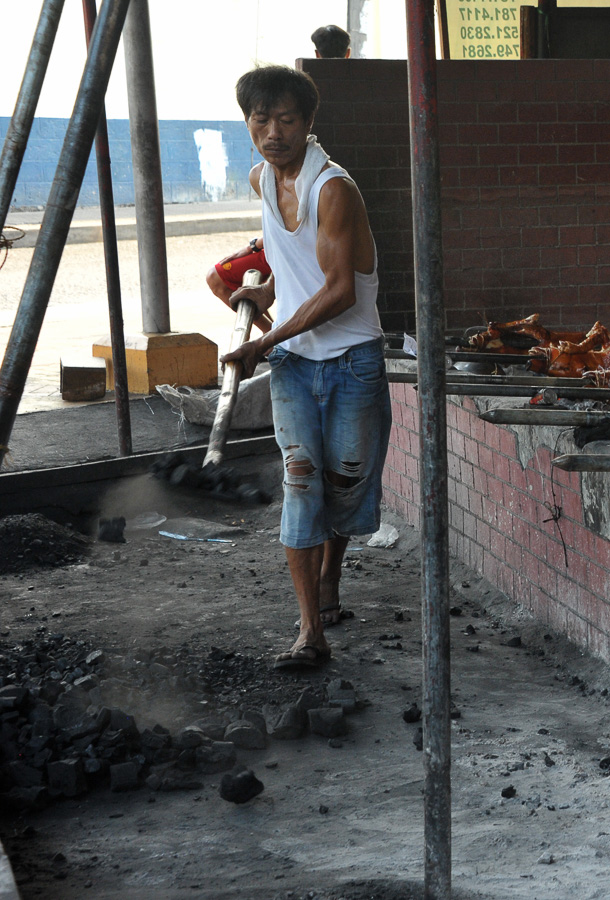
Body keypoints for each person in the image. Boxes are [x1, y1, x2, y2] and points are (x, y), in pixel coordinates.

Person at [221, 65, 388, 671]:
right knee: (300, 487)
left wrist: (264, 345)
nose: (272, 132)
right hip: (296, 363)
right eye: (260, 120)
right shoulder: (262, 178)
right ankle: (309, 630)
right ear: (247, 124)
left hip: (352, 363)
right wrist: (267, 295)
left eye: (286, 120)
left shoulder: (333, 189)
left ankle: (330, 576)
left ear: (309, 124)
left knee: (343, 490)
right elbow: (291, 262)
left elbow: (340, 289)